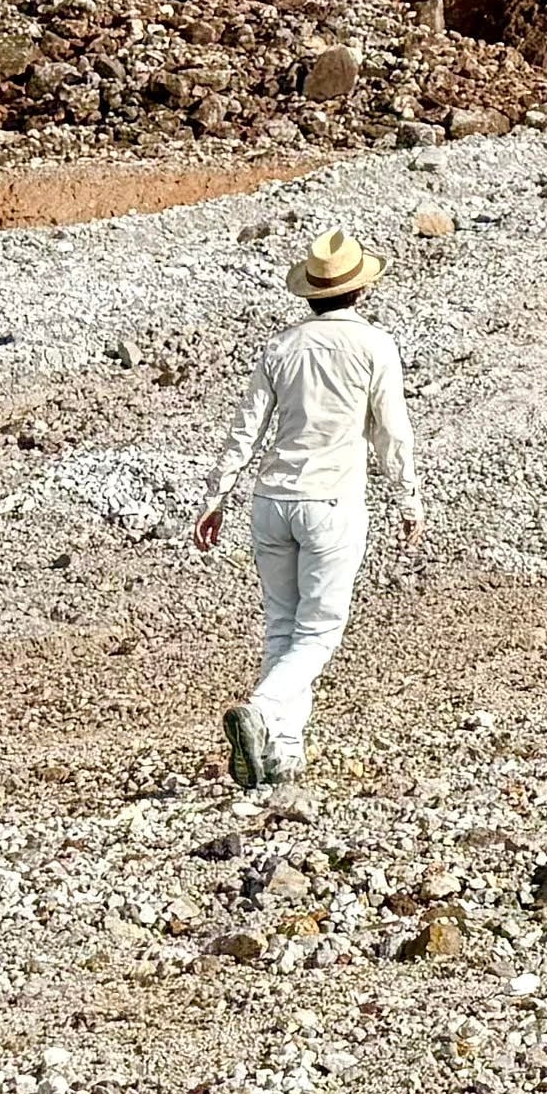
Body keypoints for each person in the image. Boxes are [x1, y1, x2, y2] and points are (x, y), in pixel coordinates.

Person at [192, 228, 424, 792]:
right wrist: (408, 496)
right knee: (319, 631)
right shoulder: (375, 346)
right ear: (360, 291)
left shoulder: (280, 346)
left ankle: (283, 752)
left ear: (311, 294)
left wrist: (216, 496)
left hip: (270, 500)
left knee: (282, 628)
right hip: (332, 500)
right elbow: (392, 432)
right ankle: (263, 711)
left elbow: (246, 430)